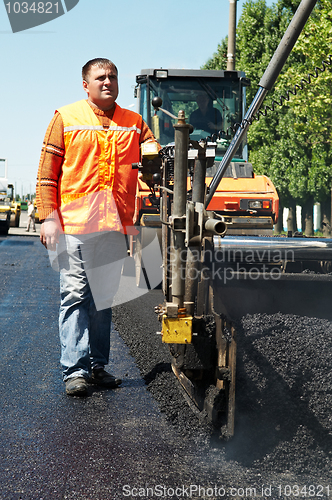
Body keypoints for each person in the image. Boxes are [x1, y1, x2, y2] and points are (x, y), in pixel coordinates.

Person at [36, 58, 159, 397]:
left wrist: (156, 159)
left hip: (113, 225)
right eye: (100, 77)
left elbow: (154, 161)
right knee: (75, 294)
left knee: (102, 299)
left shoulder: (134, 123)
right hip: (74, 225)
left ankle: (96, 366)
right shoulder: (66, 117)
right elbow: (47, 174)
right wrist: (48, 217)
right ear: (85, 84)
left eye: (113, 77)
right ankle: (75, 371)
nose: (108, 82)